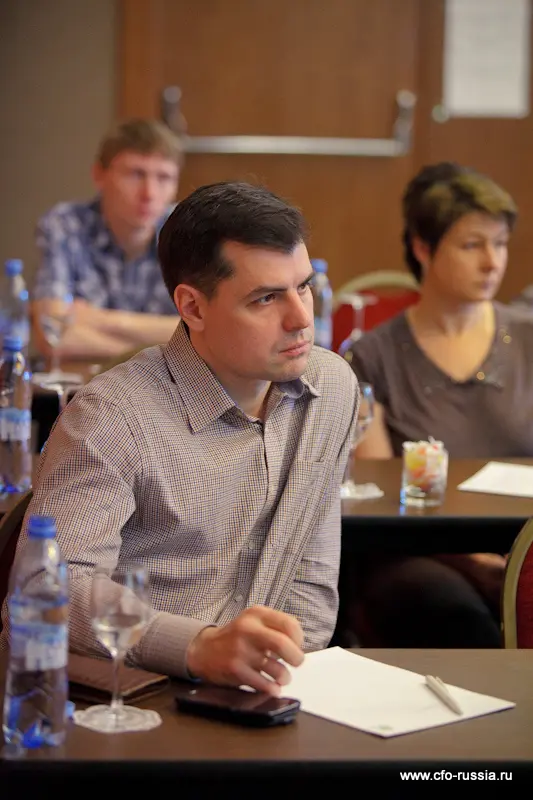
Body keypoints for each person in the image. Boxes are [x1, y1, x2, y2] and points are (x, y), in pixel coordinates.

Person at [1, 182, 359, 694]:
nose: (302, 319)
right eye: (265, 298)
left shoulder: (331, 386)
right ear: (192, 307)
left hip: (264, 693)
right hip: (133, 695)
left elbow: (311, 578)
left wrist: (288, 678)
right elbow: (44, 589)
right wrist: (196, 647)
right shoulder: (112, 415)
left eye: (303, 287)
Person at [344, 161, 533, 648]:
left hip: (524, 547)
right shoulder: (373, 356)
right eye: (472, 245)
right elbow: (378, 498)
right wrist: (470, 560)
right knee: (446, 611)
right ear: (422, 248)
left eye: (500, 244)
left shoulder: (528, 339)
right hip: (419, 555)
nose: (492, 262)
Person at [32, 119, 183, 365]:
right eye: (136, 174)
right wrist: (162, 345)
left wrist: (97, 319)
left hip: (161, 385)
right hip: (81, 382)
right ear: (99, 175)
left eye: (164, 178)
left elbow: (204, 332)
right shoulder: (65, 224)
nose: (149, 193)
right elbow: (53, 337)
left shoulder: (185, 230)